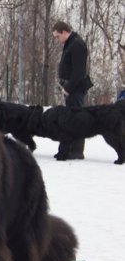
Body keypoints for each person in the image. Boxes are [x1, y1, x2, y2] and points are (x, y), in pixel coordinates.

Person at [51, 20, 92, 160]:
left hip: (75, 89)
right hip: (71, 88)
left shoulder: (77, 44)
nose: (57, 40)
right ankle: (70, 149)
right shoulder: (70, 43)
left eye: (57, 36)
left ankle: (77, 151)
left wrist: (68, 88)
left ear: (64, 32)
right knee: (71, 119)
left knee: (76, 119)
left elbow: (79, 72)